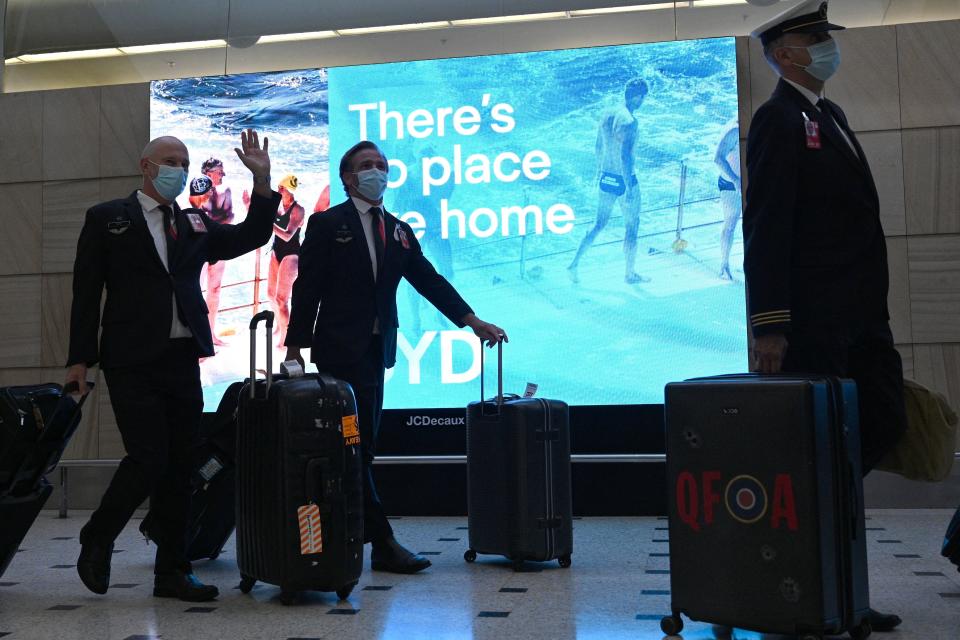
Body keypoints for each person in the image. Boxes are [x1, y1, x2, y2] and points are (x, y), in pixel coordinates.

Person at [64, 130, 280, 602]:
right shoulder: (107, 219)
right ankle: (97, 536)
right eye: (169, 160)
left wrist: (261, 181)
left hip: (182, 358)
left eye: (184, 161)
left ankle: (172, 572)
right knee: (149, 458)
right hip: (130, 360)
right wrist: (79, 359)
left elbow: (252, 234)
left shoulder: (194, 223)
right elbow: (85, 292)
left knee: (181, 465)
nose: (178, 169)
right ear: (145, 165)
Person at [746, 1, 906, 631]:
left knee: (882, 423)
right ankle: (826, 593)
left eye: (824, 38)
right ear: (784, 53)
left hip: (863, 315)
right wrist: (771, 325)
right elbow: (766, 226)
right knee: (822, 457)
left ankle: (828, 557)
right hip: (812, 320)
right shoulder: (776, 120)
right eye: (814, 39)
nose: (825, 48)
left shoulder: (829, 115)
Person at [284, 141, 506, 574]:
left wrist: (471, 320)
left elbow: (428, 280)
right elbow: (307, 287)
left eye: (381, 165)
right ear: (348, 178)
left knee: (361, 448)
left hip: (374, 354)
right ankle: (380, 542)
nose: (376, 171)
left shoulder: (400, 230)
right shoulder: (328, 224)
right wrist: (296, 347)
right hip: (337, 356)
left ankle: (351, 537)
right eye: (366, 166)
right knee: (351, 446)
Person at [568, 78, 649, 285]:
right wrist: (629, 186)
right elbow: (626, 157)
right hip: (623, 181)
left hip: (606, 177)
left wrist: (599, 172)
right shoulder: (630, 122)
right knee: (632, 226)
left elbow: (597, 146)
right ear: (638, 97)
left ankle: (574, 262)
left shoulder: (606, 114)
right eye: (643, 98)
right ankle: (629, 273)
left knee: (599, 223)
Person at [199, 157, 235, 346]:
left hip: (219, 245)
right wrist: (219, 219)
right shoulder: (197, 191)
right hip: (201, 246)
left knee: (215, 290)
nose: (223, 175)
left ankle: (211, 334)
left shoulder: (226, 192)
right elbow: (197, 216)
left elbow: (231, 216)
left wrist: (213, 220)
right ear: (209, 173)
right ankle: (198, 336)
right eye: (220, 171)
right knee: (196, 289)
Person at [269, 174, 305, 347]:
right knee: (270, 295)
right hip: (276, 251)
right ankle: (280, 326)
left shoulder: (298, 210)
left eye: (285, 189)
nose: (281, 191)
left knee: (281, 299)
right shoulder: (277, 206)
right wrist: (248, 206)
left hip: (291, 254)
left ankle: (286, 339)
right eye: (281, 188)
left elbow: (287, 235)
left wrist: (267, 222)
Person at [714, 120, 741, 281]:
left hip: (746, 184)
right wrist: (736, 179)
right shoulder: (734, 130)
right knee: (730, 225)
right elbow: (717, 158)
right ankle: (724, 265)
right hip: (730, 184)